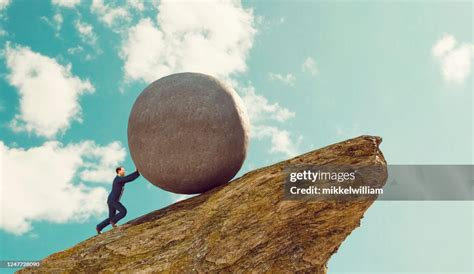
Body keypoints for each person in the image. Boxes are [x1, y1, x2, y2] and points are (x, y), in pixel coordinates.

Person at [96, 166, 140, 234]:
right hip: (113, 200)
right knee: (123, 211)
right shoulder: (118, 179)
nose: (124, 171)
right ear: (119, 171)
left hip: (111, 200)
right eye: (123, 170)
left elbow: (127, 179)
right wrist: (137, 173)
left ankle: (99, 227)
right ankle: (113, 222)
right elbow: (128, 178)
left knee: (111, 217)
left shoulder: (119, 180)